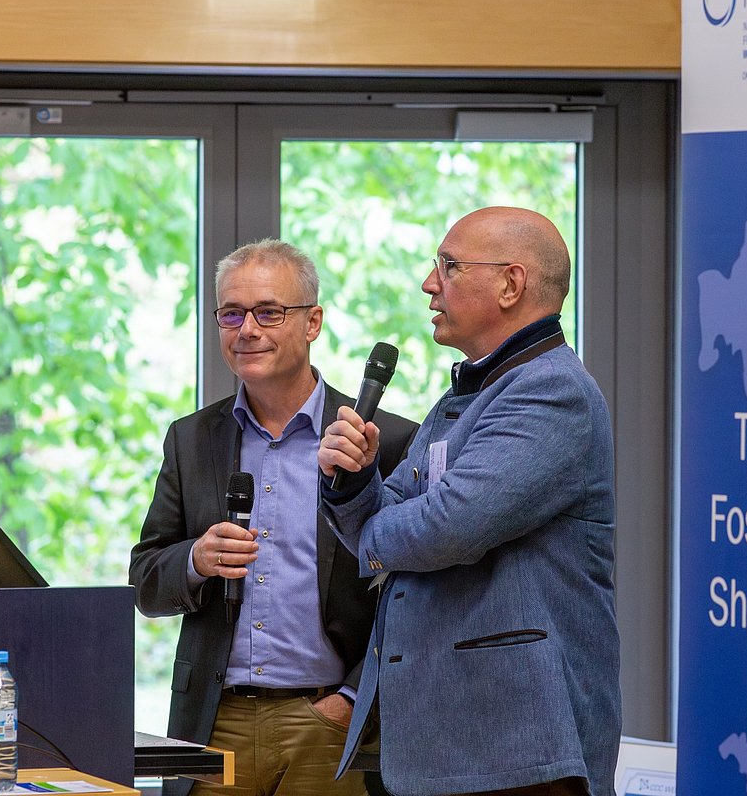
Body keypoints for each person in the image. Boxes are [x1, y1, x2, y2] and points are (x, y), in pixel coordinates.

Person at [317, 207, 621, 796]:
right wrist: (351, 481)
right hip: (446, 744)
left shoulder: (552, 391)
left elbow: (447, 528)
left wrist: (377, 531)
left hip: (515, 750)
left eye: (449, 266)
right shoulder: (467, 393)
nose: (429, 284)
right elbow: (392, 513)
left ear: (511, 284)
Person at [130, 239, 418, 796]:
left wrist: (350, 700)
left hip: (331, 723)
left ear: (313, 323)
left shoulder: (382, 440)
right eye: (231, 313)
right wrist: (195, 560)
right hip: (213, 721)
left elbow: (415, 597)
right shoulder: (191, 438)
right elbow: (145, 581)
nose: (247, 330)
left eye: (268, 312)